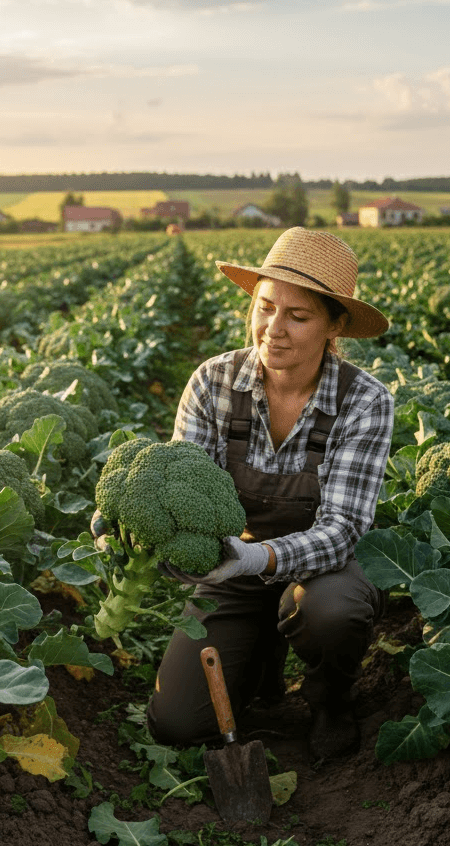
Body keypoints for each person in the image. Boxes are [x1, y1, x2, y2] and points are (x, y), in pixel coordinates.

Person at [140, 227, 393, 759]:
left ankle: (330, 698)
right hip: (237, 563)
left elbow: (342, 531)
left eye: (297, 316)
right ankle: (258, 660)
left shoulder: (365, 401)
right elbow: (181, 490)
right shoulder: (213, 382)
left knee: (329, 611)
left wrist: (258, 558)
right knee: (177, 724)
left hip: (327, 569)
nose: (273, 329)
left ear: (334, 325)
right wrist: (132, 529)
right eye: (265, 307)